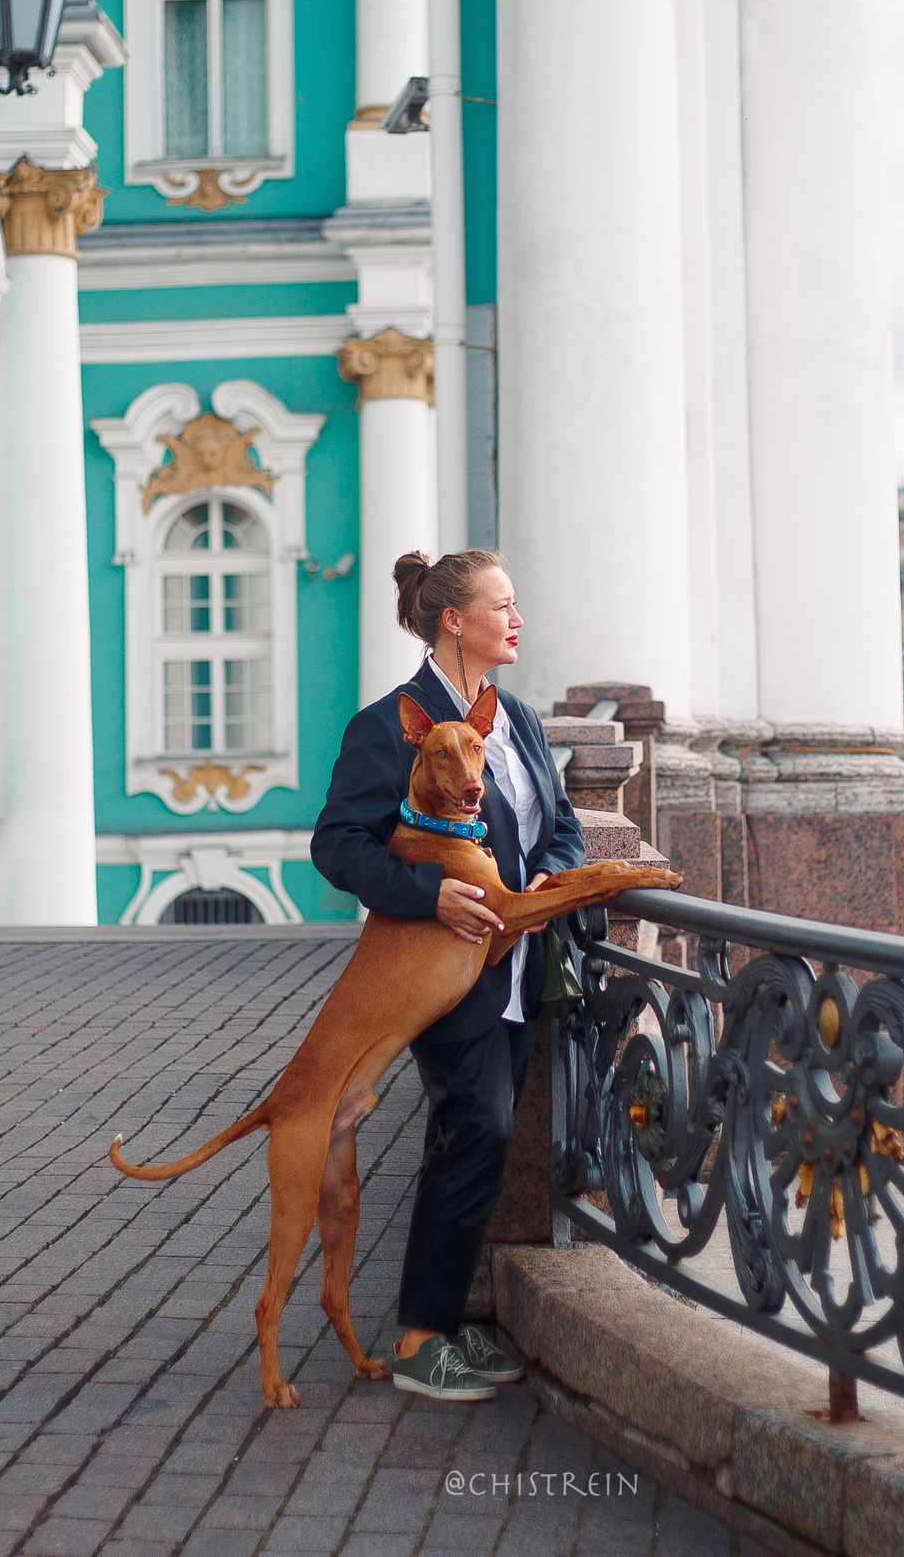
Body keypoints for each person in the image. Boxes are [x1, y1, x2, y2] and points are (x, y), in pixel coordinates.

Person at [310, 550, 586, 1403]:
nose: (517, 619)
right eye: (503, 604)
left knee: (475, 1138)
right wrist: (430, 893)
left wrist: (550, 874)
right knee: (478, 1129)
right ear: (453, 621)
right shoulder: (389, 723)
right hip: (439, 972)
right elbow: (338, 844)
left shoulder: (521, 722)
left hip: (520, 965)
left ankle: (440, 1325)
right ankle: (424, 1336)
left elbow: (564, 825)